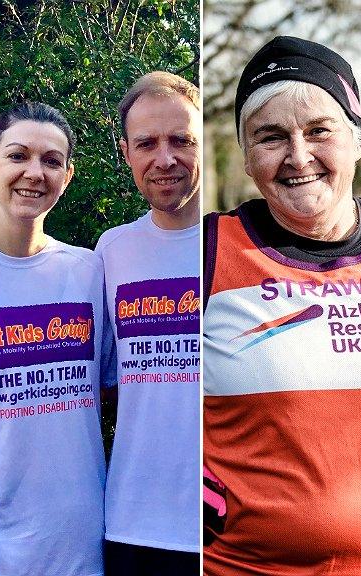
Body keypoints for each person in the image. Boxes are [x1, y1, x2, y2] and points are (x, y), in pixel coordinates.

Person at [202, 36, 361, 574]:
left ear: (356, 140)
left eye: (319, 130)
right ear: (246, 157)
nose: (298, 156)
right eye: (270, 137)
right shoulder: (206, 251)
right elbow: (140, 381)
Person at [0, 102, 108, 576]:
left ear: (69, 174)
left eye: (51, 161)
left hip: (78, 541)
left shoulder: (91, 271)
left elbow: (116, 393)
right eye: (18, 155)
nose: (34, 173)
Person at [96, 71, 201, 575]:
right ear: (126, 153)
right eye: (147, 144)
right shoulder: (110, 252)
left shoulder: (241, 242)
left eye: (181, 140)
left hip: (230, 533)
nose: (165, 159)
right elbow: (106, 383)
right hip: (134, 526)